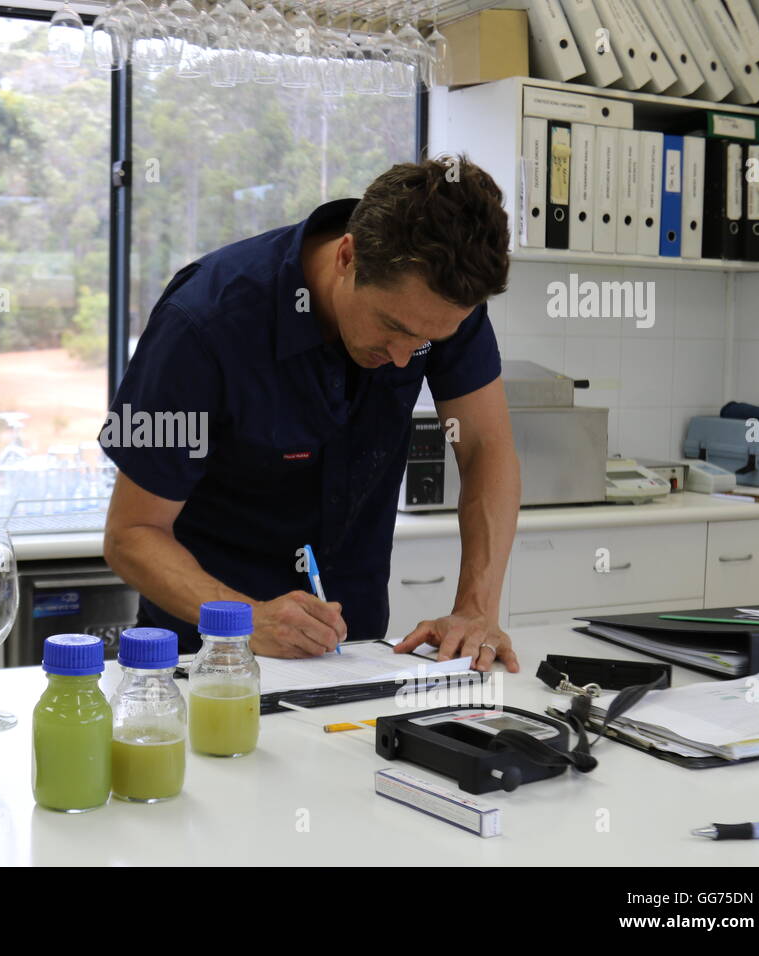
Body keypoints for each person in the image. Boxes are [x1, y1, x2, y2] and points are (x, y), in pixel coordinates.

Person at [100, 157, 521, 673]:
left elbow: (485, 447)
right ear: (348, 256)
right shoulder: (204, 325)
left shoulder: (439, 306)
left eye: (427, 341)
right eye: (392, 327)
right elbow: (131, 534)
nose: (403, 357)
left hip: (353, 652)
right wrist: (248, 620)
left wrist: (476, 610)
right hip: (204, 657)